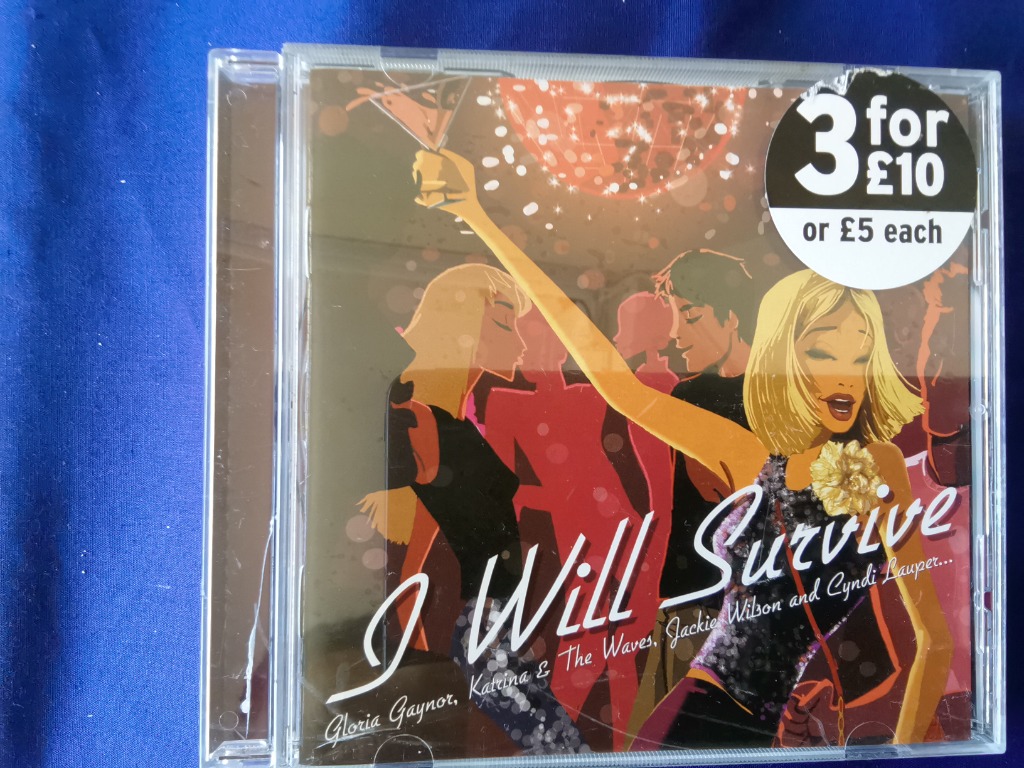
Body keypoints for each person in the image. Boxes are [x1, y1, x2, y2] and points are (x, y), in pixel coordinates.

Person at [412, 149, 952, 748]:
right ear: (784, 358)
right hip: (697, 708)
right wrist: (480, 217)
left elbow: (934, 641)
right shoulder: (750, 456)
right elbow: (616, 383)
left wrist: (899, 752)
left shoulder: (877, 467)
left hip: (763, 728)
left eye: (860, 352)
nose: (844, 375)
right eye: (822, 352)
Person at [361, 263, 586, 754]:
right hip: (480, 629)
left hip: (501, 622)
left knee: (558, 745)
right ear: (461, 325)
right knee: (560, 748)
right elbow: (414, 547)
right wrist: (409, 644)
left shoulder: (452, 416)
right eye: (504, 323)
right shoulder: (419, 418)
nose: (520, 342)